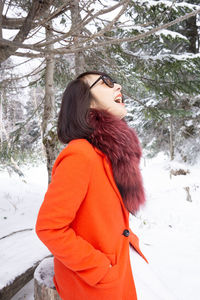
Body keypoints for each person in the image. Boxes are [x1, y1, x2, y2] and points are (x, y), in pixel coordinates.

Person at [35, 71, 151, 300]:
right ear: (84, 100)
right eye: (106, 82)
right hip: (94, 287)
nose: (117, 85)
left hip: (119, 271)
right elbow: (49, 228)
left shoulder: (104, 154)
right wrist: (98, 267)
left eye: (115, 80)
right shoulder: (81, 154)